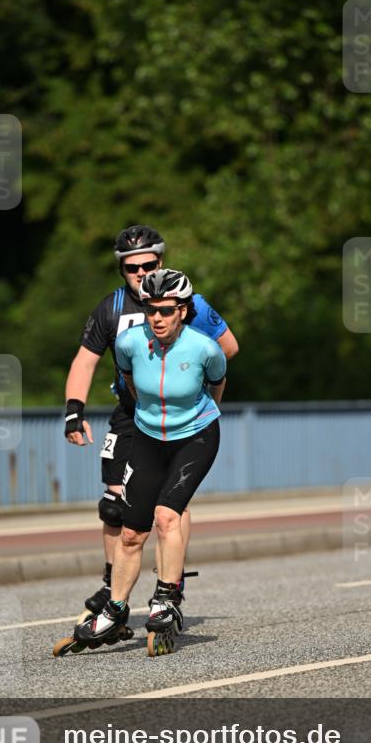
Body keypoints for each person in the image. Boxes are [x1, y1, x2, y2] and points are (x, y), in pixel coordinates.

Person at [64, 224, 238, 615]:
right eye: (132, 267)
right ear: (121, 270)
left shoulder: (186, 302)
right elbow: (85, 361)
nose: (141, 273)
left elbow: (226, 349)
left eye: (149, 264)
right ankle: (113, 588)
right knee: (114, 505)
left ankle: (169, 583)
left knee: (170, 504)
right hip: (131, 414)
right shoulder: (110, 309)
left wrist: (190, 372)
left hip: (179, 416)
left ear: (161, 261)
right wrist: (74, 410)